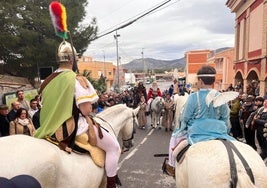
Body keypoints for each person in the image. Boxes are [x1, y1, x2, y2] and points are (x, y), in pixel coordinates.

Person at [34, 41, 121, 188]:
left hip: (47, 127)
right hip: (71, 128)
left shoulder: (47, 81)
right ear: (72, 60)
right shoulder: (76, 79)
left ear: (59, 59)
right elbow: (86, 111)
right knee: (114, 148)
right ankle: (111, 185)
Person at [164, 65, 236, 176]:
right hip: (219, 132)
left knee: (174, 138)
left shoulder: (193, 97)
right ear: (213, 81)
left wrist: (182, 128)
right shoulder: (221, 96)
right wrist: (225, 130)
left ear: (201, 81)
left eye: (197, 80)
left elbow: (184, 118)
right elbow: (226, 118)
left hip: (198, 133)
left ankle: (172, 166)